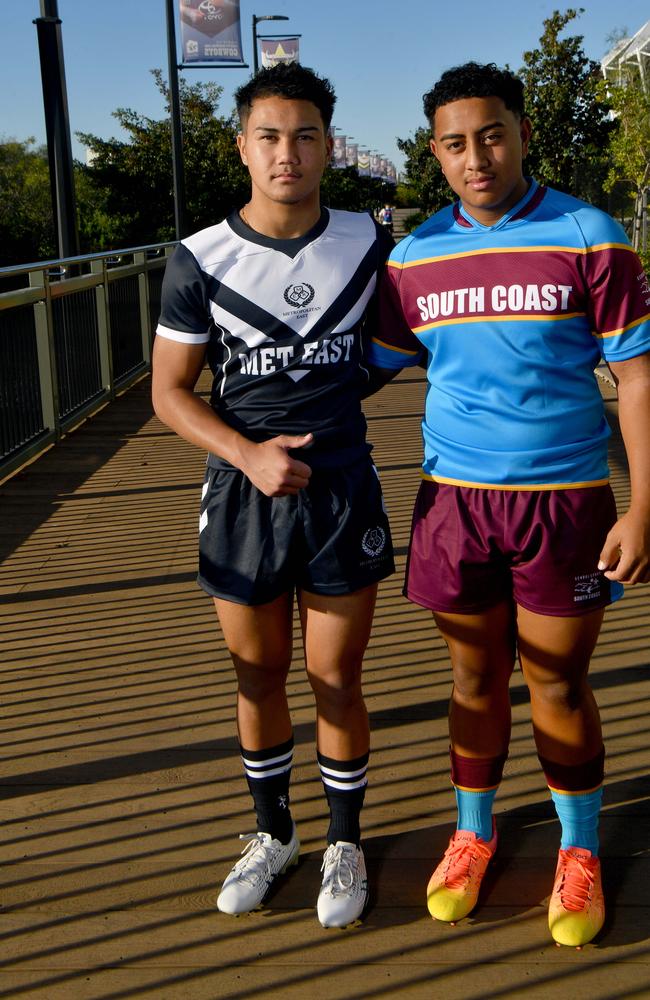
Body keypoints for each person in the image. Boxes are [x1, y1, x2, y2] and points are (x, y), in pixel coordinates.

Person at [366, 61, 650, 948]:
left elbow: (638, 376)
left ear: (522, 133)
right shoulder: (411, 258)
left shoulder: (587, 233)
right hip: (455, 502)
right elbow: (365, 368)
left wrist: (643, 506)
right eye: (454, 143)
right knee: (474, 678)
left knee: (558, 681)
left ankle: (579, 850)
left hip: (566, 501)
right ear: (437, 154)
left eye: (491, 134)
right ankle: (474, 831)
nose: (475, 157)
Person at [151, 62, 394, 929]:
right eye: (268, 136)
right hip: (244, 494)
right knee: (257, 675)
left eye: (303, 136)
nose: (285, 153)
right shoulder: (199, 256)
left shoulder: (369, 241)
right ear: (242, 145)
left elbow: (402, 343)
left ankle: (343, 842)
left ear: (328, 145)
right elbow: (170, 391)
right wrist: (248, 455)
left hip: (342, 491)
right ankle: (272, 833)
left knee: (336, 676)